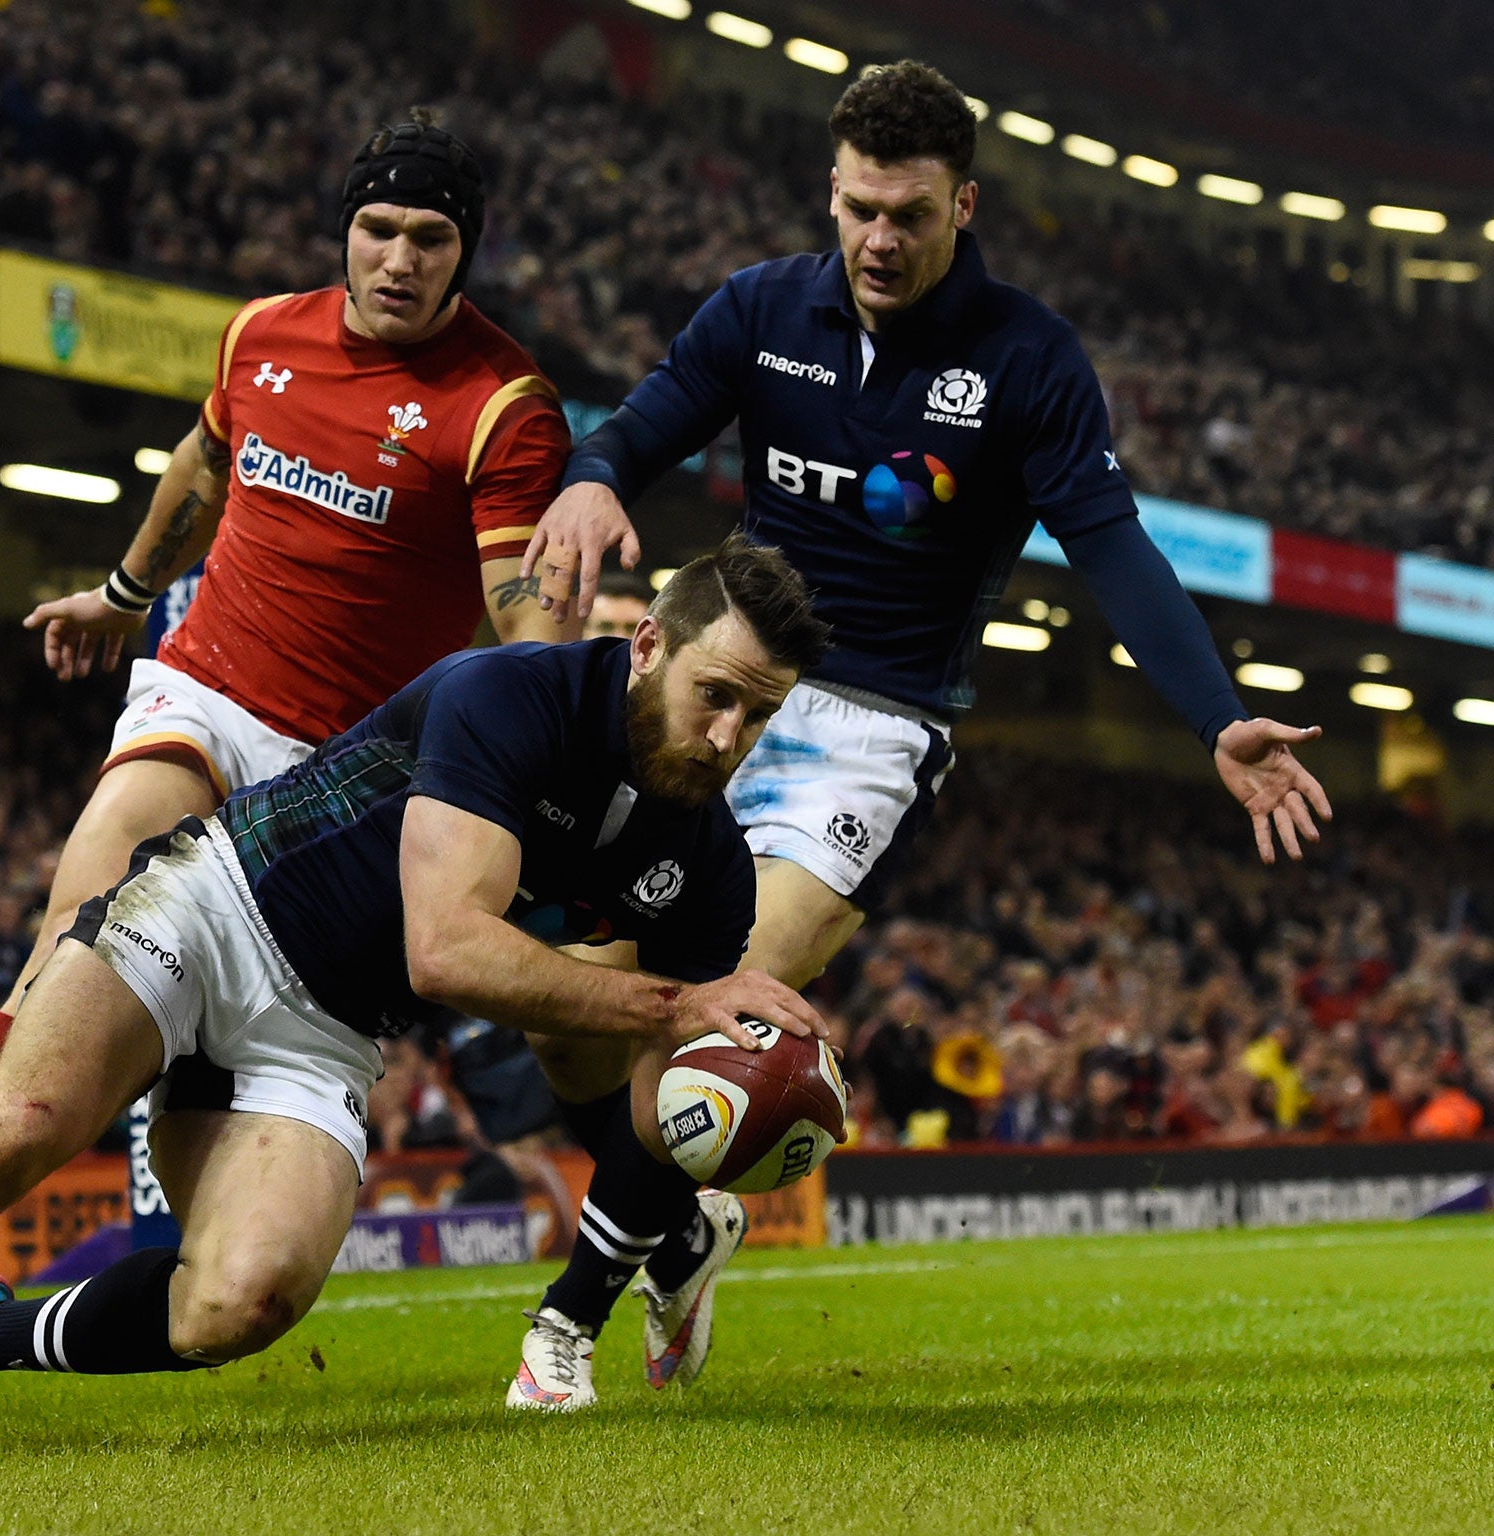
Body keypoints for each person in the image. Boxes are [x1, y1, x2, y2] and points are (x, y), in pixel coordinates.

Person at [0, 534, 831, 1477]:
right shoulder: (508, 695)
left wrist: (705, 1122)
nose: (728, 736)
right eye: (715, 693)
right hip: (214, 905)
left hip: (321, 1036)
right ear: (645, 650)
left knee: (240, 1301)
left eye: (759, 714)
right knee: (23, 1122)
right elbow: (447, 953)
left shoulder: (713, 869)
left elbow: (651, 1085)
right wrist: (675, 1005)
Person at [507, 60, 1334, 1407]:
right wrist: (596, 482)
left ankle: (566, 1325)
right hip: (725, 687)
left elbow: (1111, 546)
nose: (878, 239)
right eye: (856, 209)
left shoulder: (1029, 358)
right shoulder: (763, 309)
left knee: (726, 1003)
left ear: (964, 204)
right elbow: (642, 426)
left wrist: (1217, 715)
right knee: (572, 1024)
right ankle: (682, 1227)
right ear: (831, 196)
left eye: (906, 212)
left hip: (876, 727)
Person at [0, 113, 574, 1267]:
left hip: (341, 776)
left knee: (210, 1109)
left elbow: (519, 608)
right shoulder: (259, 336)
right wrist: (124, 594)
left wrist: (546, 715)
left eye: (429, 238)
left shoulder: (499, 404)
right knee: (65, 943)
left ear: (464, 249)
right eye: (376, 230)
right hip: (205, 691)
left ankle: (176, 1247)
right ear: (343, 232)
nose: (398, 260)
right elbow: (206, 460)